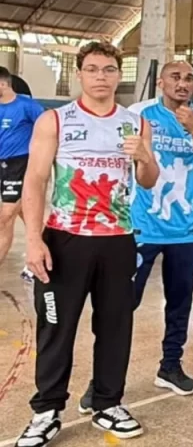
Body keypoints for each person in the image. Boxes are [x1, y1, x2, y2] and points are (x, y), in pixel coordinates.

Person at [16, 41, 160, 446]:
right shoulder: (55, 120)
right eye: (93, 69)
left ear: (118, 74)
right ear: (80, 73)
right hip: (65, 239)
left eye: (109, 69)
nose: (101, 76)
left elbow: (148, 180)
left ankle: (107, 402)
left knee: (115, 325)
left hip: (117, 239)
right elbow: (36, 180)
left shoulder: (135, 123)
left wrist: (145, 156)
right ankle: (46, 411)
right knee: (56, 328)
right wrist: (33, 240)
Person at [75, 61, 193, 411]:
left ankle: (170, 366)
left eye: (189, 78)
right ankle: (101, 381)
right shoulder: (139, 113)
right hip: (141, 226)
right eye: (175, 77)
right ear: (160, 82)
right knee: (121, 304)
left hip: (186, 229)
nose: (182, 84)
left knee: (180, 303)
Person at [0, 66, 44, 266]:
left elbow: (47, 130)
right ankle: (47, 246)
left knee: (5, 215)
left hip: (19, 164)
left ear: (3, 84)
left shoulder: (27, 106)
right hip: (2, 164)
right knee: (25, 213)